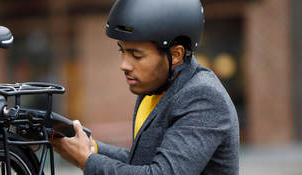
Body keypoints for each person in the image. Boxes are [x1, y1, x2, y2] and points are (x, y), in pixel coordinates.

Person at [51, 0, 240, 174]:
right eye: (122, 51)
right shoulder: (156, 86)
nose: (124, 65)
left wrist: (88, 160)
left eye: (136, 55)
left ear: (175, 54)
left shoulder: (203, 97)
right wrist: (92, 148)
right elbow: (141, 163)